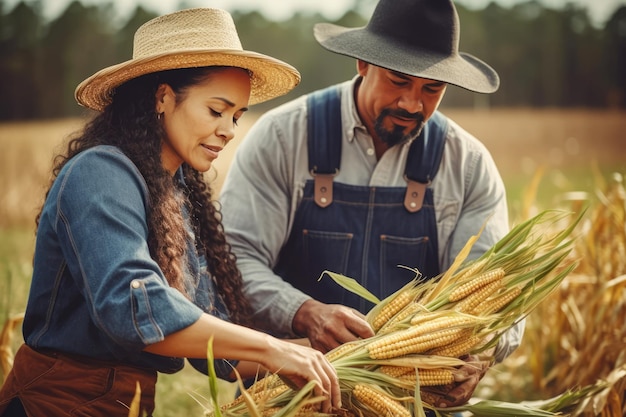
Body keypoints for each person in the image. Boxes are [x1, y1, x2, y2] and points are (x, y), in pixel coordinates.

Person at [0, 8, 342, 417]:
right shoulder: (99, 173)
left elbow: (221, 356)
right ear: (162, 97)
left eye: (236, 116)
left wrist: (336, 357)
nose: (230, 130)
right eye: (217, 111)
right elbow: (133, 306)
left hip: (131, 404)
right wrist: (272, 349)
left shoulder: (175, 197)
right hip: (55, 404)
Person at [219, 0, 524, 410]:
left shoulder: (468, 166)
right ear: (363, 63)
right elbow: (235, 259)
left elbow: (494, 292)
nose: (413, 104)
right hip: (291, 399)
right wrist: (304, 312)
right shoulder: (282, 137)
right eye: (399, 81)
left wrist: (482, 353)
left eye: (432, 89)